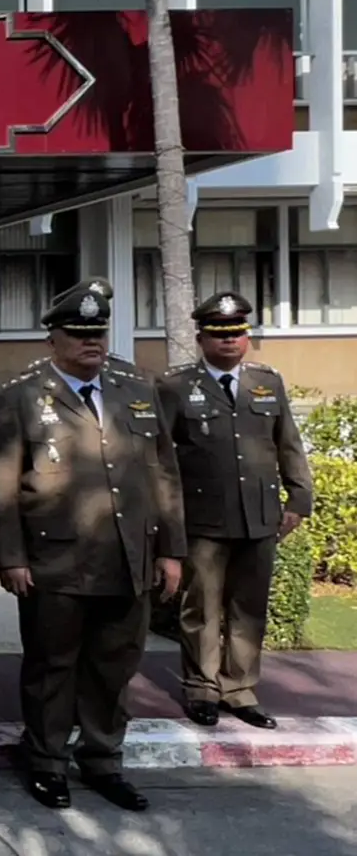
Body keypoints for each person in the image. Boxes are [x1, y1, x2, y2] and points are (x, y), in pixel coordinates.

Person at [0, 287, 184, 812]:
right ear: (52, 340)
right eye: (78, 334)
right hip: (55, 562)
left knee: (113, 666)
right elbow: (2, 487)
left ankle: (102, 760)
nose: (91, 342)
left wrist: (171, 550)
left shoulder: (136, 391)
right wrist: (11, 557)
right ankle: (47, 761)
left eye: (97, 333)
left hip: (128, 558)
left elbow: (164, 475)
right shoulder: (21, 397)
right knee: (52, 667)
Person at [158, 291, 313, 731]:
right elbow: (161, 457)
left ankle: (240, 689)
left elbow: (288, 444)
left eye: (237, 333)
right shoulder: (174, 386)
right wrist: (167, 517)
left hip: (259, 517)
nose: (229, 341)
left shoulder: (267, 382)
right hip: (204, 518)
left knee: (249, 608)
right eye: (219, 334)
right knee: (202, 608)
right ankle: (202, 689)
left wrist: (299, 499)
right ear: (201, 339)